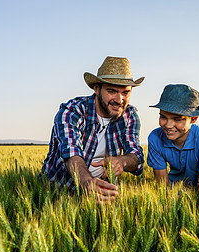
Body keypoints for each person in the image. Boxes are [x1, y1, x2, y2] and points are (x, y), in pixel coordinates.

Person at [42, 56, 145, 202]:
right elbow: (71, 153)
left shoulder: (130, 115)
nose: (119, 100)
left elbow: (137, 156)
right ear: (96, 88)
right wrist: (86, 182)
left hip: (104, 195)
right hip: (60, 193)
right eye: (112, 91)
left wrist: (122, 161)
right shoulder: (72, 112)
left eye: (125, 93)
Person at [147, 84, 199, 193]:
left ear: (194, 119)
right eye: (163, 117)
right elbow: (162, 187)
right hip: (176, 189)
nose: (168, 125)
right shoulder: (155, 139)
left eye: (177, 119)